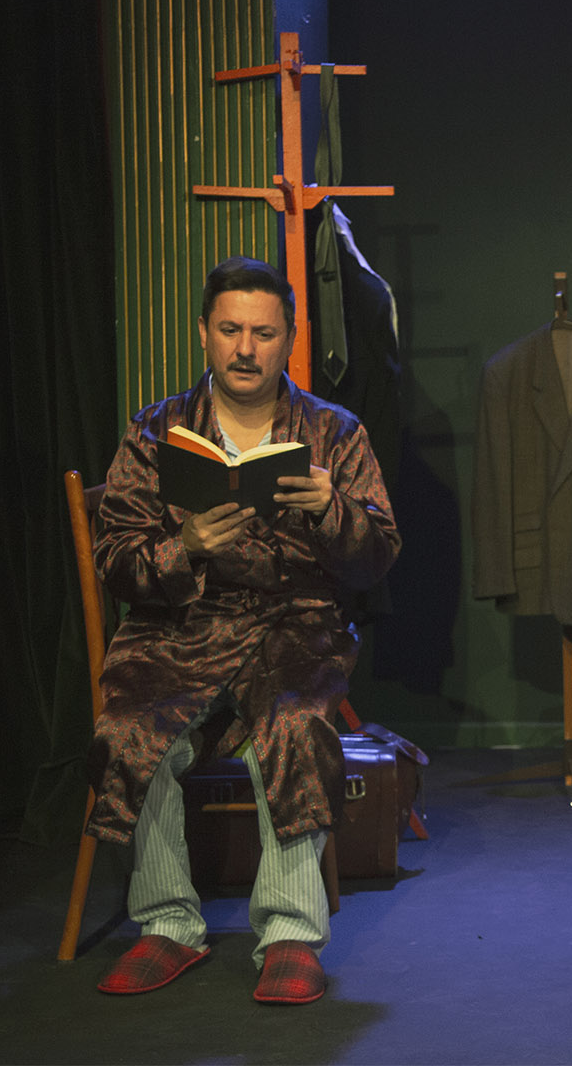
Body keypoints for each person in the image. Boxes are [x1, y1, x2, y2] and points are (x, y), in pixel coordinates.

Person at [86, 256, 399, 1004]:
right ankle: (167, 923)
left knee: (295, 723)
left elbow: (379, 555)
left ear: (289, 337)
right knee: (129, 726)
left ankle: (290, 934)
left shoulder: (334, 432)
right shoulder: (155, 432)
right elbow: (115, 558)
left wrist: (331, 510)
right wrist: (185, 546)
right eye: (230, 330)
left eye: (263, 333)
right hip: (179, 628)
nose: (246, 349)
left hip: (293, 626)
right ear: (204, 332)